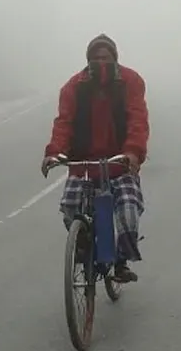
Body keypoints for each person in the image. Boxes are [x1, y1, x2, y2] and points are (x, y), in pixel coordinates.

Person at [40, 34, 149, 283]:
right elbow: (64, 123)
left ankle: (121, 261)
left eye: (106, 58)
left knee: (129, 212)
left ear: (115, 59)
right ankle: (84, 246)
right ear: (88, 60)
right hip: (84, 164)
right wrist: (54, 152)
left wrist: (133, 152)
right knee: (69, 207)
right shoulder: (73, 87)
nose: (101, 62)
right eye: (96, 58)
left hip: (120, 163)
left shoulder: (130, 81)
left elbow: (137, 120)